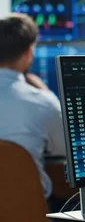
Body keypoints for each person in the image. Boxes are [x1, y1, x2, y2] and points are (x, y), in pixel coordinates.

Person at [0, 14, 66, 200]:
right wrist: (46, 93)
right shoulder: (42, 102)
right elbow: (63, 148)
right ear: (29, 53)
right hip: (26, 212)